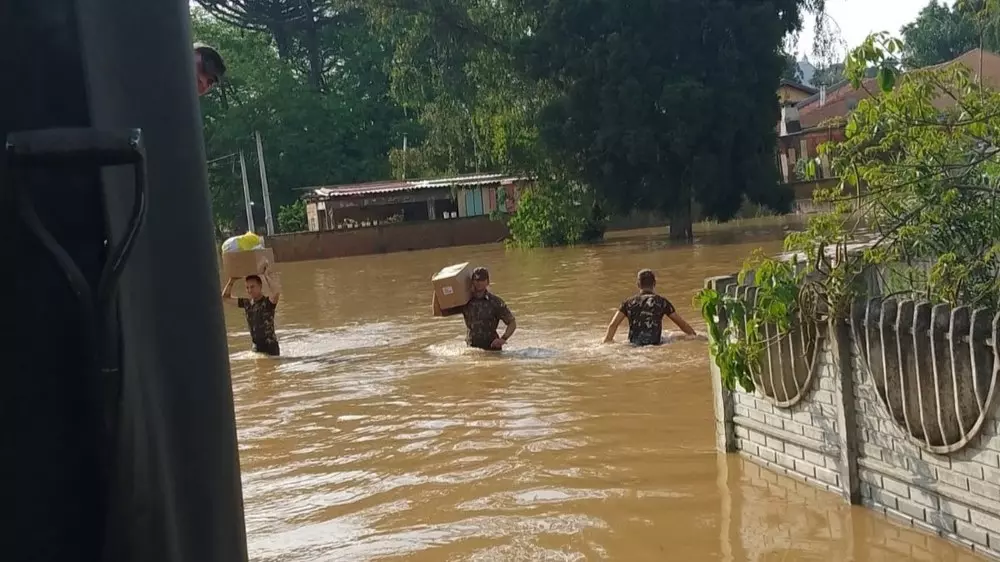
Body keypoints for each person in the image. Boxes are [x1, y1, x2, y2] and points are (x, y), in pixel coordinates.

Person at [603, 269, 697, 346]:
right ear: (654, 284)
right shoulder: (662, 302)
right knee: (674, 336)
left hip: (634, 345)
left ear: (638, 284)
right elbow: (681, 324)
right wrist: (694, 335)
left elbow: (613, 325)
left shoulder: (628, 303)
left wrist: (606, 342)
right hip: (656, 344)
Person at [435, 266, 517, 350]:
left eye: (482, 280)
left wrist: (503, 339)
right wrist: (437, 288)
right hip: (472, 349)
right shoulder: (465, 302)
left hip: (492, 349)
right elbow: (439, 312)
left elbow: (512, 322)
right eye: (476, 280)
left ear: (487, 282)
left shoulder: (495, 302)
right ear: (472, 282)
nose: (479, 283)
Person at [222, 265, 281, 356]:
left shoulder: (268, 303)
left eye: (252, 287)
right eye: (247, 287)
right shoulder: (247, 303)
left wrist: (266, 276)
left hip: (270, 346)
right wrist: (232, 280)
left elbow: (276, 292)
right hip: (256, 346)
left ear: (260, 286)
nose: (249, 290)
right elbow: (225, 297)